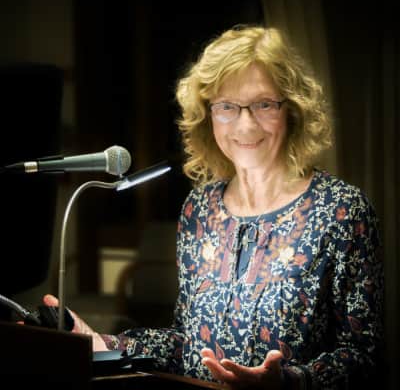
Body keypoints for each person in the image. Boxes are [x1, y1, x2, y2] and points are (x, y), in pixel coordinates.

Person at [44, 25, 383, 389]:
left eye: (264, 104)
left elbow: (362, 357)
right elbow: (188, 345)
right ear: (208, 115)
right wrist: (104, 344)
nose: (245, 124)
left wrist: (289, 381)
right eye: (227, 107)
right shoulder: (200, 209)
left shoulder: (343, 210)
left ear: (292, 110)